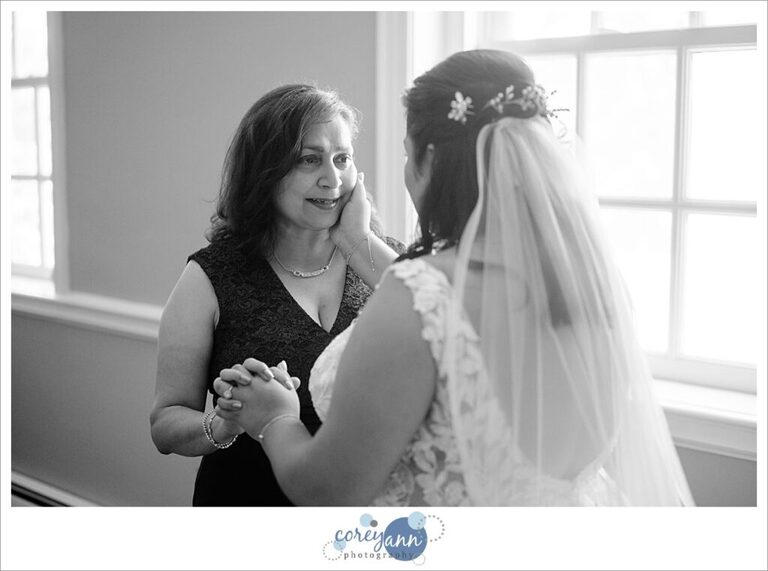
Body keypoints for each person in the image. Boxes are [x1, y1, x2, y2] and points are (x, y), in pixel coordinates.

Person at [213, 50, 695, 506]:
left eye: (407, 154)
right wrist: (357, 239)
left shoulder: (420, 296)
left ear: (432, 161)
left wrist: (275, 417)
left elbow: (328, 490)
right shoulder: (597, 286)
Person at [149, 84, 403, 506]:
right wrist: (223, 423)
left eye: (343, 159)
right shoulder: (210, 277)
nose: (333, 178)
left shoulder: (382, 262)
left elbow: (445, 317)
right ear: (265, 171)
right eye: (309, 159)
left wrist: (357, 241)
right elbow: (165, 424)